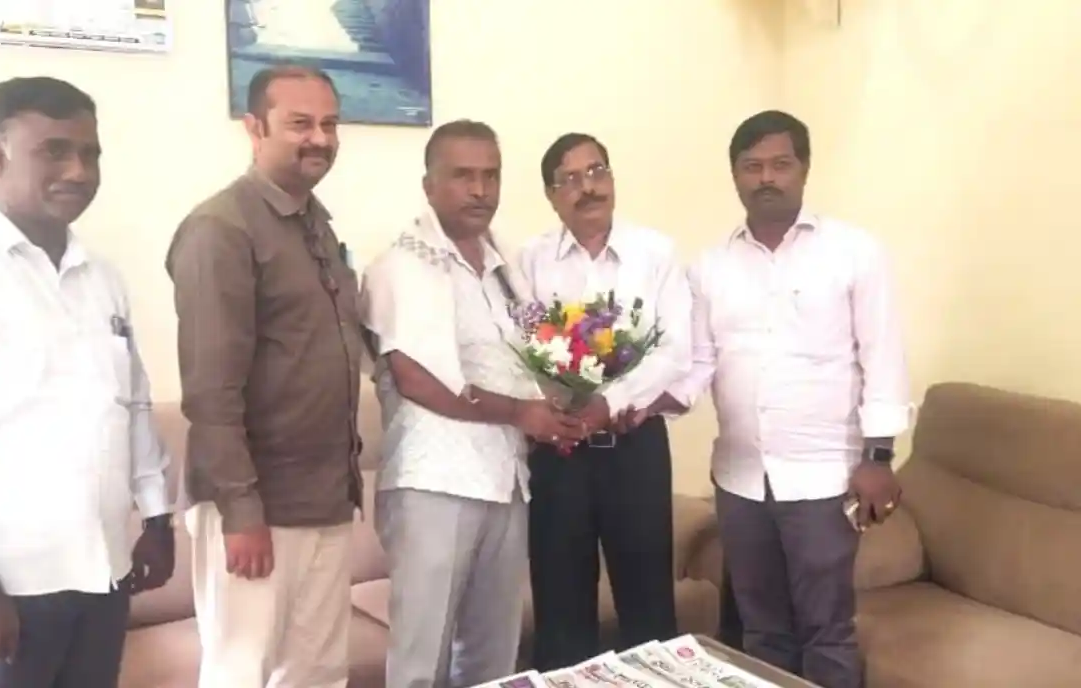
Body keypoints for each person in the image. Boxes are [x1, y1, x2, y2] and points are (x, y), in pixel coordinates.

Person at [0, 76, 174, 688]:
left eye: (91, 154)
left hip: (102, 574)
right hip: (7, 587)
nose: (79, 171)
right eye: (54, 151)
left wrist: (157, 519)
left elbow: (133, 406)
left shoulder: (103, 279)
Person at [664, 110, 910, 688]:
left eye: (780, 164)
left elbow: (883, 356)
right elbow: (699, 362)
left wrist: (878, 458)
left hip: (823, 478)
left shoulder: (854, 252)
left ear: (804, 168)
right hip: (741, 479)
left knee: (827, 631)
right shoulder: (710, 266)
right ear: (735, 175)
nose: (766, 178)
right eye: (752, 167)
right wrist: (645, 403)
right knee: (761, 631)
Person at [360, 121, 585, 688]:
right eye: (463, 176)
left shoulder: (505, 267)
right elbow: (415, 378)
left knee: (492, 657)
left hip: (506, 479)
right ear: (430, 185)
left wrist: (562, 401)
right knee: (421, 661)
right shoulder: (401, 265)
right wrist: (521, 413)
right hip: (434, 484)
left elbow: (529, 358)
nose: (480, 190)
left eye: (491, 176)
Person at [166, 64, 363, 688]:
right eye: (300, 123)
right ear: (254, 129)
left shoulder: (316, 225)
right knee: (241, 673)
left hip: (325, 499)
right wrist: (241, 513)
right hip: (257, 511)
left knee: (318, 675)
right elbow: (211, 392)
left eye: (329, 124)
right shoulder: (221, 229)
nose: (320, 138)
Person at [520, 133, 693, 670]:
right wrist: (553, 406)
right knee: (561, 610)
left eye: (596, 172)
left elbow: (675, 349)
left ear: (612, 178)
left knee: (649, 609)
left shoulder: (656, 253)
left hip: (633, 446)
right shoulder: (529, 260)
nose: (588, 188)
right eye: (570, 179)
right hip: (559, 452)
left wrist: (610, 402)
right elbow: (517, 348)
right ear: (552, 196)